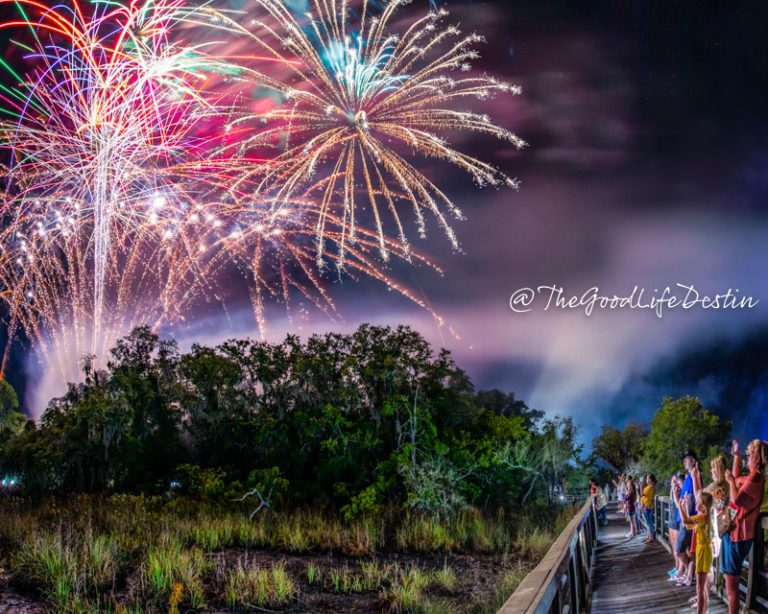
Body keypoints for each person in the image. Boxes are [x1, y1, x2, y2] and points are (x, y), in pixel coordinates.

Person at [722, 439, 768, 614]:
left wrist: (731, 482)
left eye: (750, 454)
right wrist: (735, 457)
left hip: (739, 535)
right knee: (730, 585)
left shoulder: (756, 477)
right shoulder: (751, 475)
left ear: (758, 457)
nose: (747, 458)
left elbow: (736, 499)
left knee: (732, 587)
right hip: (733, 532)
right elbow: (735, 480)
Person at [680, 491, 714, 614]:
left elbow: (685, 521)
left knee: (699, 587)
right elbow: (689, 525)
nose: (696, 502)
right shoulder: (705, 516)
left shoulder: (702, 517)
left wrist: (680, 506)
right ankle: (705, 610)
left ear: (703, 504)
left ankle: (701, 611)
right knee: (702, 585)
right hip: (705, 550)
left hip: (703, 552)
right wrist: (684, 508)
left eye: (698, 501)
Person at [674, 451, 702, 587]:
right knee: (689, 551)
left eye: (687, 459)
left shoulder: (693, 477)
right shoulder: (687, 478)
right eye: (684, 459)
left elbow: (692, 499)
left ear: (693, 461)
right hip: (684, 518)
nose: (685, 462)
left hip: (689, 520)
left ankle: (688, 574)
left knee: (679, 549)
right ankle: (689, 577)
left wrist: (687, 518)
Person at [667, 473, 684, 581]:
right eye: (673, 481)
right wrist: (672, 489)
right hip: (672, 514)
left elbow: (678, 504)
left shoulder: (680, 491)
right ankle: (677, 566)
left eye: (676, 481)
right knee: (673, 543)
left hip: (677, 516)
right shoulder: (673, 490)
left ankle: (681, 570)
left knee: (678, 545)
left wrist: (675, 491)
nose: (674, 484)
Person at [641, 473, 657, 542]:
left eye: (647, 478)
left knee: (649, 522)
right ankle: (650, 536)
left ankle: (652, 537)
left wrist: (640, 486)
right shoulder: (649, 487)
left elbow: (642, 495)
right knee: (649, 522)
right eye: (646, 478)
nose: (646, 479)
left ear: (650, 479)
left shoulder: (650, 487)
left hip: (647, 506)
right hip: (647, 506)